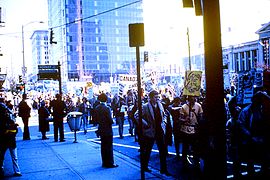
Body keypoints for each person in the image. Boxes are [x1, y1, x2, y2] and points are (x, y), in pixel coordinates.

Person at [135, 90, 171, 176]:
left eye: (158, 97)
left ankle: (163, 169)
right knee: (147, 150)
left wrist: (164, 121)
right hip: (150, 131)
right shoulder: (145, 106)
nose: (157, 99)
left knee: (162, 151)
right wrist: (145, 123)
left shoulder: (160, 105)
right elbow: (136, 116)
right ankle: (145, 166)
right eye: (155, 97)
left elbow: (164, 114)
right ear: (150, 98)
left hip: (160, 130)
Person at [237, 91, 270, 177]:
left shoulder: (261, 110)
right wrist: (250, 136)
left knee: (263, 159)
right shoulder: (246, 111)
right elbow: (241, 125)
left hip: (260, 138)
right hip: (250, 139)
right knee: (250, 160)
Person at [95, 93, 118, 168]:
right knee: (109, 146)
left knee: (103, 146)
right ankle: (110, 163)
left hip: (101, 128)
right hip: (107, 129)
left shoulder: (97, 108)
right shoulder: (107, 108)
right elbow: (110, 120)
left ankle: (104, 162)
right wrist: (113, 121)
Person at [0, 97, 22, 177]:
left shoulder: (5, 119)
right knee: (14, 156)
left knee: (2, 156)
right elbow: (15, 130)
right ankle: (17, 171)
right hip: (11, 139)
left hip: (3, 139)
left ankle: (1, 170)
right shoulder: (9, 118)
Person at [179, 96, 203, 169]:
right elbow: (180, 118)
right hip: (185, 130)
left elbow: (200, 117)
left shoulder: (198, 106)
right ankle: (184, 163)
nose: (193, 99)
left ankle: (196, 163)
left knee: (195, 148)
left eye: (194, 97)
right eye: (191, 98)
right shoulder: (184, 107)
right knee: (185, 148)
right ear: (188, 99)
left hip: (194, 129)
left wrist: (199, 123)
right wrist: (185, 119)